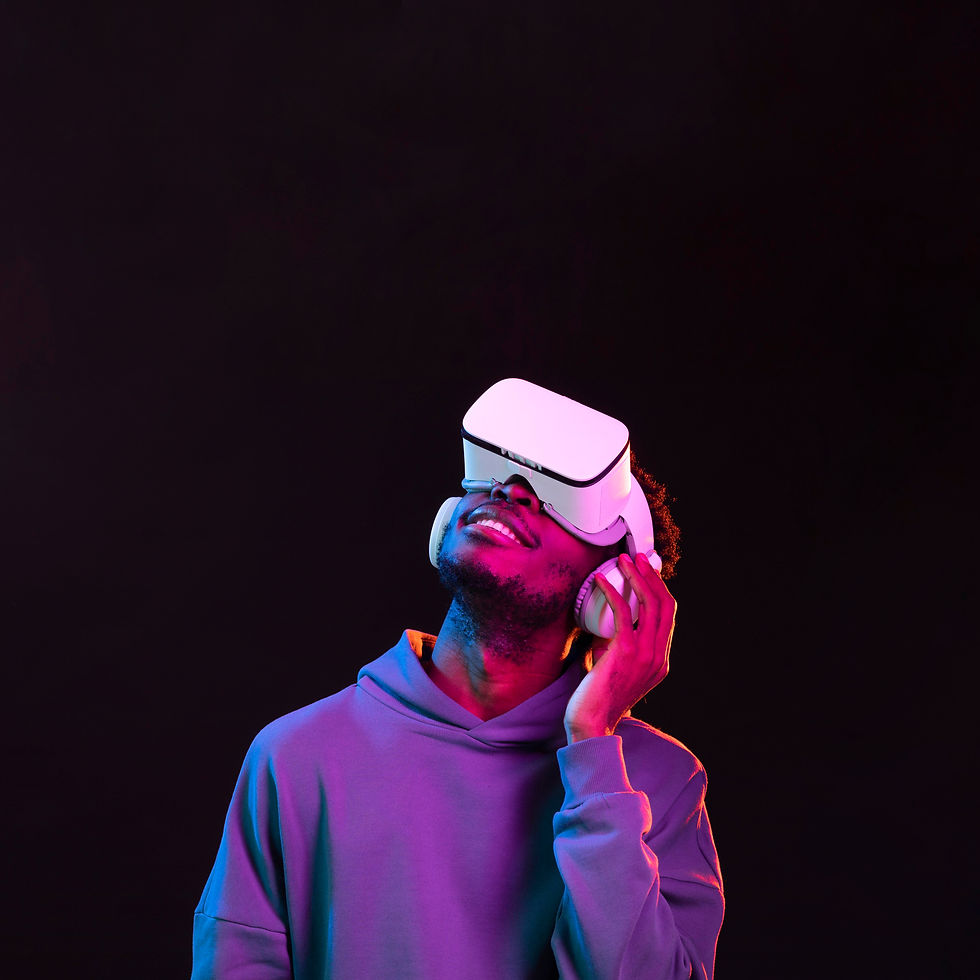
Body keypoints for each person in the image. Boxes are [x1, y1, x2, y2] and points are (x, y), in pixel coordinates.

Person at [191, 378, 724, 979]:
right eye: (502, 477)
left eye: (559, 500)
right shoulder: (294, 756)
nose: (513, 493)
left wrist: (593, 750)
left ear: (615, 590)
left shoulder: (660, 782)